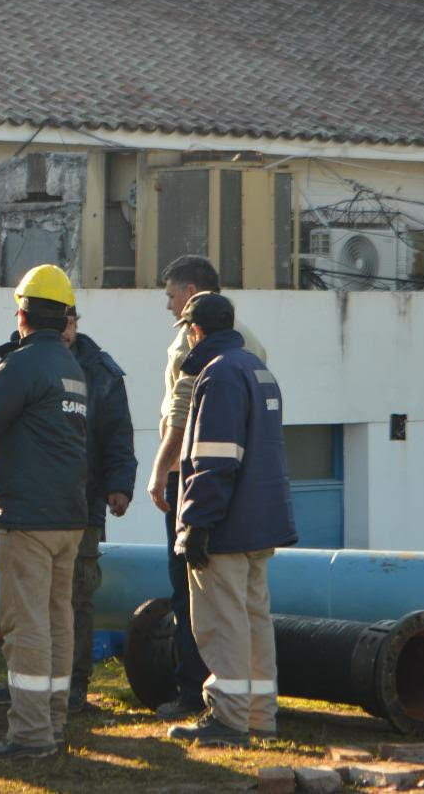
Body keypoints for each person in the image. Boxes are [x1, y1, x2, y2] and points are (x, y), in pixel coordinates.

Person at [0, 264, 89, 760]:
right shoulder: (72, 368)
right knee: (57, 622)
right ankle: (53, 722)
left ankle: (30, 735)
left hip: (28, 519)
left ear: (22, 315)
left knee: (26, 626)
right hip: (69, 517)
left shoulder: (23, 365)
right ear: (64, 317)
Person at [0, 302, 135, 714]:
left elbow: (117, 433)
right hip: (39, 503)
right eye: (62, 322)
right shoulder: (16, 363)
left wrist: (120, 485)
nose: (66, 330)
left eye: (71, 323)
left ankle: (70, 687)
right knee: (31, 604)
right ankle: (29, 686)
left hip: (79, 505)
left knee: (74, 599)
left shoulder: (98, 371)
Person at [168, 293, 296, 746]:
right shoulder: (257, 370)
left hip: (226, 525)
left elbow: (214, 459)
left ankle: (228, 717)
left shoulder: (218, 374)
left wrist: (197, 524)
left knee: (222, 622)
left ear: (195, 331)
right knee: (255, 618)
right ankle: (260, 715)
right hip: (261, 523)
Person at [145, 255, 268, 721]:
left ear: (192, 294)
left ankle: (197, 694)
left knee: (193, 590)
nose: (169, 306)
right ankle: (257, 707)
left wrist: (161, 472)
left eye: (172, 295)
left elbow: (182, 418)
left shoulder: (191, 344)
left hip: (196, 479)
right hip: (245, 481)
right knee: (247, 599)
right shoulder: (250, 342)